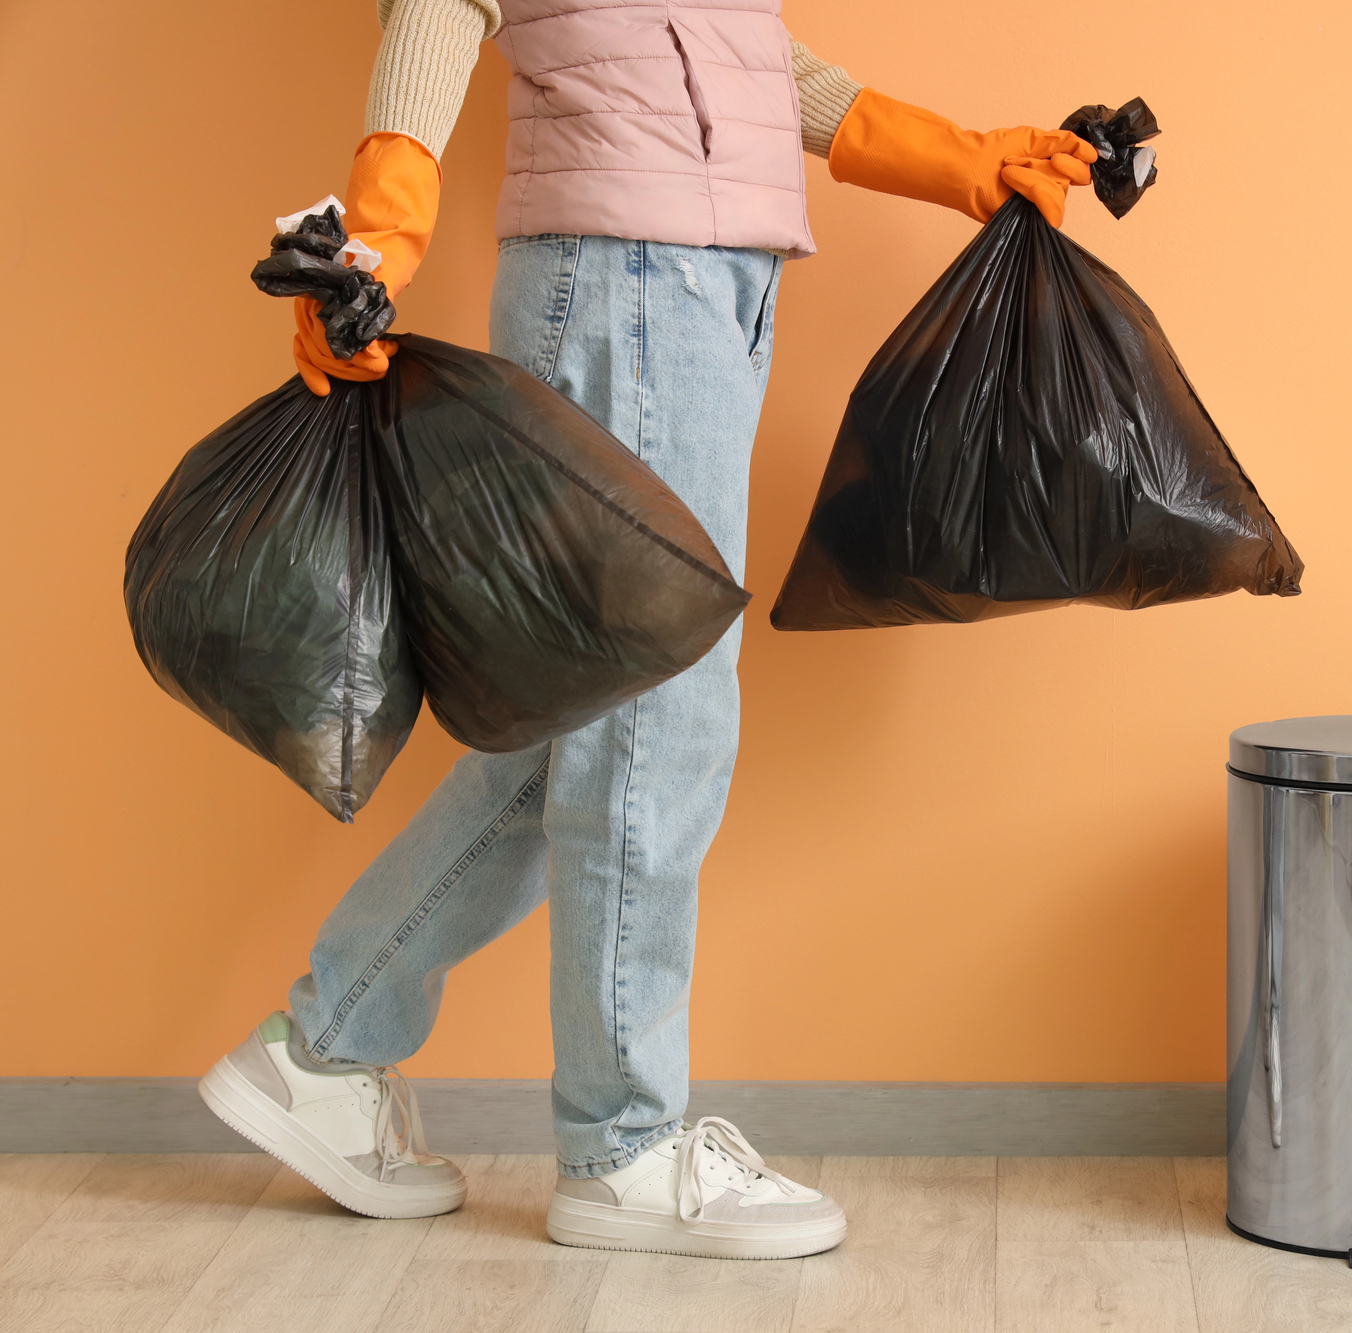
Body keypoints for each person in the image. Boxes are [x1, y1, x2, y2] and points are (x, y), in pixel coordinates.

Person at [195, 0, 1098, 1261]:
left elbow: (725, 48)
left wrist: (950, 155)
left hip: (710, 271)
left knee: (578, 724)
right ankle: (620, 1147)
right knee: (654, 718)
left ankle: (325, 1051)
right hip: (628, 275)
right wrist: (386, 219)